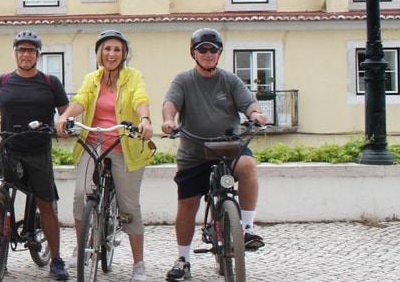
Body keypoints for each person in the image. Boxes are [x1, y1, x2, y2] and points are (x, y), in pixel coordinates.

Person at [161, 28, 270, 281]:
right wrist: (168, 121)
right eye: (202, 49)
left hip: (227, 147)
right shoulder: (183, 80)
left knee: (248, 165)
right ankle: (183, 259)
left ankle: (247, 229)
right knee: (188, 204)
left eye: (213, 49)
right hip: (194, 151)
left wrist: (256, 114)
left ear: (219, 53)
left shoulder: (230, 80)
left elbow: (248, 103)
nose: (208, 54)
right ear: (194, 53)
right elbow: (170, 104)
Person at [0, 30, 71, 281]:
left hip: (38, 151)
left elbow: (65, 110)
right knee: (0, 201)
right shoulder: (3, 81)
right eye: (21, 50)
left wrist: (65, 124)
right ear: (15, 53)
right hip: (9, 150)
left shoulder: (50, 82)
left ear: (38, 54)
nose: (25, 54)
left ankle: (56, 259)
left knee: (46, 204)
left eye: (30, 50)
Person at [54, 30, 156, 282]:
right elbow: (81, 100)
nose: (112, 54)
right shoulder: (93, 78)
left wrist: (144, 119)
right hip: (93, 143)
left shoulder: (133, 77)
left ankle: (138, 264)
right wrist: (66, 116)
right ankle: (80, 248)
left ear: (123, 55)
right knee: (81, 195)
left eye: (117, 50)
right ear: (99, 53)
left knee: (129, 207)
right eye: (107, 49)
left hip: (124, 145)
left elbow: (139, 98)